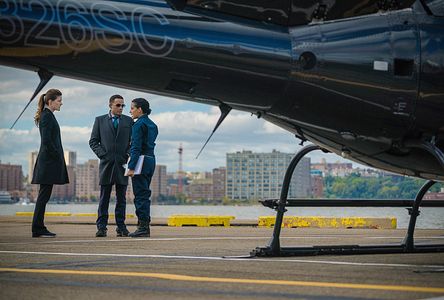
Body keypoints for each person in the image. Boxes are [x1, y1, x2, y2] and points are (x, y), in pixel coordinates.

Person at [89, 95, 133, 237]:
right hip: (106, 165)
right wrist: (103, 155)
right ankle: (101, 227)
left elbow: (132, 142)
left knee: (121, 199)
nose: (121, 108)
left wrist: (126, 156)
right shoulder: (100, 120)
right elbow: (93, 141)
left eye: (122, 106)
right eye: (118, 105)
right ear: (110, 105)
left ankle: (121, 227)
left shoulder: (128, 121)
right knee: (104, 199)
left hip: (122, 165)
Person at [31, 89, 68, 238]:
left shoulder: (48, 116)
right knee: (43, 196)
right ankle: (37, 227)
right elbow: (46, 141)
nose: (61, 103)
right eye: (59, 100)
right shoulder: (47, 117)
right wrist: (57, 156)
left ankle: (38, 227)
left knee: (43, 196)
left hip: (48, 162)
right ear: (50, 101)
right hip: (48, 163)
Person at [127, 98, 158, 238]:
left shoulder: (138, 124)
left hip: (140, 161)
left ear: (140, 109)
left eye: (132, 108)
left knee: (140, 195)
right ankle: (144, 225)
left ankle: (143, 227)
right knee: (145, 194)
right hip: (151, 160)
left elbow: (136, 147)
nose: (130, 111)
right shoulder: (153, 125)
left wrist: (131, 166)